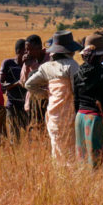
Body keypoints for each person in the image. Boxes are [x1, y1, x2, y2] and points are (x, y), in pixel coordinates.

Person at [25, 31, 82, 159]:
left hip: (52, 115)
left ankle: (59, 175)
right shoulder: (71, 65)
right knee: (70, 152)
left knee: (56, 149)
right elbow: (76, 91)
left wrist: (46, 94)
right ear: (69, 51)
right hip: (68, 116)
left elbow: (29, 85)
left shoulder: (46, 67)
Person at [74, 34, 103, 167]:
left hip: (80, 118)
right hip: (96, 120)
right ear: (102, 55)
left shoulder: (78, 72)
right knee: (98, 163)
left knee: (83, 160)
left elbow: (75, 100)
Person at [20, 34, 51, 127]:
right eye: (26, 49)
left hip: (47, 100)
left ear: (39, 48)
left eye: (30, 49)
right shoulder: (29, 60)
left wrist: (32, 66)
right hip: (32, 101)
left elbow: (46, 76)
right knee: (35, 130)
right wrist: (26, 66)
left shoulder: (50, 58)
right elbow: (23, 83)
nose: (27, 52)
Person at [0, 38, 29, 138]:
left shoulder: (30, 64)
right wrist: (17, 83)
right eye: (25, 51)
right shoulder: (8, 63)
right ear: (18, 51)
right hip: (12, 105)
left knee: (31, 135)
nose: (27, 53)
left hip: (27, 106)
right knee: (14, 137)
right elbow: (1, 86)